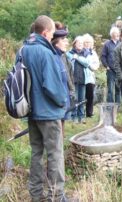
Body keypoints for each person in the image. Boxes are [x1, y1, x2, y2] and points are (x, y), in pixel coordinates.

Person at [21, 15, 68, 201]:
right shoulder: (46, 52)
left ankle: (36, 195)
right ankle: (56, 196)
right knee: (55, 154)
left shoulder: (23, 49)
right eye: (51, 34)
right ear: (45, 32)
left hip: (31, 112)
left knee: (36, 154)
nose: (52, 38)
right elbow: (53, 87)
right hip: (48, 113)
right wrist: (63, 101)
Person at [51, 22, 74, 136]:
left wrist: (70, 89)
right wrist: (61, 101)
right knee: (56, 131)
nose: (67, 41)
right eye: (63, 39)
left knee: (62, 126)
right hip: (58, 102)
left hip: (64, 97)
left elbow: (67, 75)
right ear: (55, 42)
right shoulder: (53, 58)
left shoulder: (61, 55)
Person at [66, 36, 91, 124]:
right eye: (78, 43)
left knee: (82, 99)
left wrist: (77, 58)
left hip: (83, 79)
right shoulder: (69, 53)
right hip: (73, 79)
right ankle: (74, 117)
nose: (80, 44)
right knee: (74, 99)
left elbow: (87, 63)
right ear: (74, 44)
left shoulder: (86, 52)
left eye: (81, 43)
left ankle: (81, 117)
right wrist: (76, 57)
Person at [101, 27, 121, 103]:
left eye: (118, 33)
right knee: (110, 89)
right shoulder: (107, 44)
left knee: (118, 89)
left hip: (119, 70)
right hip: (110, 71)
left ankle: (118, 106)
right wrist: (107, 66)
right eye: (116, 33)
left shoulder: (120, 44)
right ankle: (110, 105)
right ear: (112, 34)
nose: (117, 34)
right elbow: (103, 56)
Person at [83, 33, 100, 118]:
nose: (87, 44)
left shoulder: (93, 53)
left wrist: (92, 67)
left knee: (90, 95)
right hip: (82, 77)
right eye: (86, 42)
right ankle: (81, 112)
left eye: (89, 42)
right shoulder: (80, 51)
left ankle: (89, 112)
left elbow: (97, 63)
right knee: (82, 95)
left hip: (90, 76)